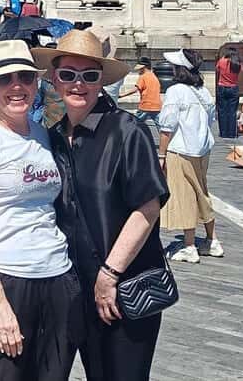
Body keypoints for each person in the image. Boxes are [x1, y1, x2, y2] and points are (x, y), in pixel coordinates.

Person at [43, 30, 169, 381]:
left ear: (102, 81)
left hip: (124, 287)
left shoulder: (127, 131)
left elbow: (148, 207)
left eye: (89, 75)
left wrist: (110, 273)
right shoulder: (53, 137)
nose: (78, 84)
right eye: (68, 74)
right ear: (54, 78)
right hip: (74, 289)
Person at [0, 40, 83, 381]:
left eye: (25, 77)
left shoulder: (43, 134)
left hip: (56, 274)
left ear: (37, 82)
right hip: (7, 276)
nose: (17, 86)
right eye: (5, 79)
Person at [158, 48, 222, 263]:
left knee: (184, 195)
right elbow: (210, 118)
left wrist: (161, 155)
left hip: (181, 149)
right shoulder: (203, 90)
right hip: (202, 148)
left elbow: (167, 126)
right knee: (201, 192)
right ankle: (212, 240)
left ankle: (189, 245)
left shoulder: (175, 91)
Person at [119, 58, 162, 129]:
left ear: (143, 68)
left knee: (135, 123)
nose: (138, 71)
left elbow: (135, 89)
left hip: (146, 105)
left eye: (140, 69)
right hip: (157, 106)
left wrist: (122, 95)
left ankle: (129, 134)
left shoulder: (143, 77)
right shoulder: (154, 77)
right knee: (160, 126)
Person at [215, 47, 242, 138]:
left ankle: (223, 133)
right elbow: (241, 71)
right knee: (232, 111)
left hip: (222, 86)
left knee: (222, 111)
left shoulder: (222, 61)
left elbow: (217, 69)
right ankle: (231, 133)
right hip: (233, 87)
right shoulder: (237, 63)